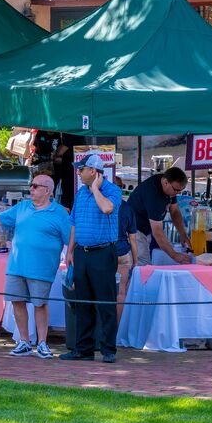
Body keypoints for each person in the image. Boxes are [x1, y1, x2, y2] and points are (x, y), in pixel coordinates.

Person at [0, 175, 71, 358]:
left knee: (40, 303)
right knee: (17, 301)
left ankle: (42, 343)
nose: (31, 189)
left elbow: (70, 239)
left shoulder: (59, 212)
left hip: (42, 268)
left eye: (35, 186)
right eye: (31, 185)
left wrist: (70, 256)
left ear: (47, 191)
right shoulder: (22, 207)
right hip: (17, 265)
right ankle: (24, 342)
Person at [61, 154, 123, 363]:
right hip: (82, 252)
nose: (78, 172)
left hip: (103, 252)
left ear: (94, 172)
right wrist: (70, 251)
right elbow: (74, 223)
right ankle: (83, 348)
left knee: (105, 303)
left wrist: (96, 189)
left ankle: (108, 349)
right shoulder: (80, 193)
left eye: (82, 169)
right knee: (82, 302)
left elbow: (107, 208)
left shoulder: (112, 191)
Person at [127, 167, 192, 265]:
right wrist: (174, 255)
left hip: (146, 226)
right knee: (143, 265)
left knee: (148, 261)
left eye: (180, 191)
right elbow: (157, 232)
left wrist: (182, 233)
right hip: (134, 228)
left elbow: (174, 211)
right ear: (166, 182)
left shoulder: (168, 184)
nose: (177, 193)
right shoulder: (154, 196)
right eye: (176, 190)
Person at [116, 199, 138, 323]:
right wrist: (135, 261)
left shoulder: (100, 203)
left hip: (103, 254)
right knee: (121, 292)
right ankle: (117, 330)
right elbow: (133, 239)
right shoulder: (127, 208)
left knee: (101, 292)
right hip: (122, 254)